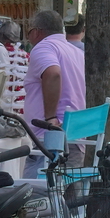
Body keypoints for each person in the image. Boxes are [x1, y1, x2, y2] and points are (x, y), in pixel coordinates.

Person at [23, 8, 85, 138]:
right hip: (75, 131)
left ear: (36, 31)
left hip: (51, 136)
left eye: (28, 31)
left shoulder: (44, 47)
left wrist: (50, 117)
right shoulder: (77, 52)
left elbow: (53, 74)